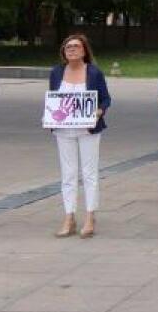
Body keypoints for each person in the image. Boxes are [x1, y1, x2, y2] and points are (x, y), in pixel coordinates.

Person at [48, 34, 111, 239]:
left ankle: (90, 216)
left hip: (88, 129)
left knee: (89, 173)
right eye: (68, 47)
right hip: (63, 129)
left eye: (76, 46)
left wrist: (99, 112)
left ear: (84, 50)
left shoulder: (94, 73)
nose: (72, 49)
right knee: (68, 174)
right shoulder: (56, 72)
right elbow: (53, 98)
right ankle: (69, 216)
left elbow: (105, 99)